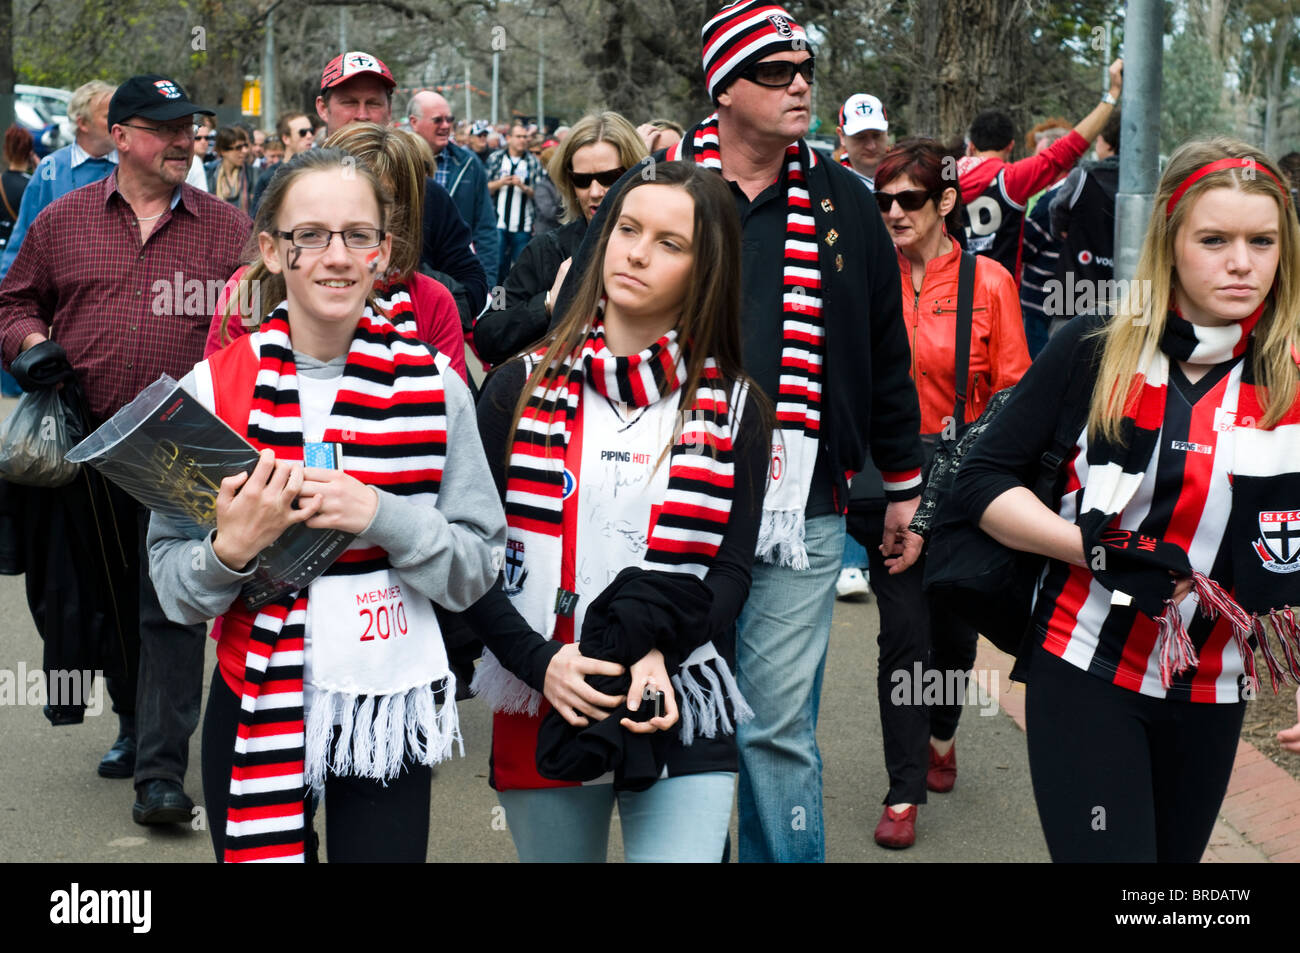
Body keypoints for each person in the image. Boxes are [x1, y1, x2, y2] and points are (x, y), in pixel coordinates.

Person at [556, 0, 927, 863]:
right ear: (723, 86)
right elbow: (592, 314)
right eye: (774, 71)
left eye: (805, 70)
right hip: (667, 483)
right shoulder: (659, 191)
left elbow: (884, 350)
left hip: (804, 505)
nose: (799, 84)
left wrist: (903, 487)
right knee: (677, 699)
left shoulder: (847, 201)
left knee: (774, 724)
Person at [147, 146, 505, 862]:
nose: (335, 256)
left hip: (387, 699)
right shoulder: (210, 389)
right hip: (255, 692)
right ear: (275, 251)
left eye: (357, 235)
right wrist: (228, 552)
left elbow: (478, 566)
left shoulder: (438, 387)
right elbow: (170, 585)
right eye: (310, 235)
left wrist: (381, 514)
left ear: (385, 252)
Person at [957, 138, 1300, 862]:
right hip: (1085, 665)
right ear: (1170, 243)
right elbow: (981, 481)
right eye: (1214, 239)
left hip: (1215, 688)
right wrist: (1091, 548)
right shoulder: (1093, 347)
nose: (1241, 261)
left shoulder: (1292, 379)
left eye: (1261, 240)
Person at [463, 160, 770, 862]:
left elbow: (731, 570)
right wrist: (541, 663)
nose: (635, 252)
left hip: (678, 684)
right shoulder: (515, 387)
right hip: (544, 685)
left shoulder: (737, 407)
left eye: (670, 242)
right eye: (628, 229)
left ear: (705, 269)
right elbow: (471, 564)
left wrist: (662, 645)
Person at [0, 74, 250, 826]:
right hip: (86, 441)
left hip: (183, 447)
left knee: (169, 604)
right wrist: (30, 344)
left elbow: (265, 319)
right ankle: (134, 722)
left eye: (191, 129)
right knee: (98, 600)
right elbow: (14, 300)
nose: (185, 141)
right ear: (121, 135)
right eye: (168, 128)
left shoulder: (229, 229)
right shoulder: (64, 220)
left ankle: (161, 771)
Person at [858, 139, 1028, 848]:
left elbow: (1015, 389)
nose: (895, 212)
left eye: (910, 200)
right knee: (903, 633)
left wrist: (955, 478)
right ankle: (902, 792)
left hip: (963, 480)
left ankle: (943, 730)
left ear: (948, 203)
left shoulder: (988, 282)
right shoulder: (867, 277)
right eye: (884, 200)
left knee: (954, 635)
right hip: (885, 479)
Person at [205, 121, 467, 385]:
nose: (338, 256)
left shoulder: (432, 302)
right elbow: (218, 397)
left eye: (377, 201)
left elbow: (447, 411)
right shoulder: (250, 287)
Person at [315, 51, 488, 322]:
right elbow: (261, 280)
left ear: (389, 111)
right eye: (349, 102)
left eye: (373, 103)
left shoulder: (426, 192)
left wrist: (408, 287)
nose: (362, 115)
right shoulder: (291, 185)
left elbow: (473, 284)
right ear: (323, 108)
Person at [473, 111, 647, 367]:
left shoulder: (668, 249)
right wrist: (547, 304)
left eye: (610, 178)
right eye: (582, 180)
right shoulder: (545, 250)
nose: (596, 192)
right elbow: (488, 331)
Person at [958, 59, 1122, 281]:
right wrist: (1112, 94)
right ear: (1010, 146)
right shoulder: (1010, 179)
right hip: (995, 297)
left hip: (947, 294)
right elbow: (1067, 149)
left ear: (971, 146)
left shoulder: (941, 177)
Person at [0, 80, 117, 280]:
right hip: (60, 295)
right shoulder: (51, 168)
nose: (117, 123)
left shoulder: (132, 165)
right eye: (108, 116)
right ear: (82, 123)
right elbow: (24, 237)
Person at [408, 90, 500, 286]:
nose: (446, 126)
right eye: (438, 120)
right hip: (408, 280)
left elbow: (485, 227)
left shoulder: (469, 163)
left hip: (456, 281)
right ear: (414, 122)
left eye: (449, 119)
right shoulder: (394, 161)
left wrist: (487, 285)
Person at [1046, 110, 1121, 334]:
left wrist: (1064, 232)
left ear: (1106, 144)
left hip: (1073, 291)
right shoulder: (1148, 189)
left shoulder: (1082, 178)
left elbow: (1057, 213)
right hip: (1129, 298)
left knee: (1063, 361)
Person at [487, 122, 544, 277]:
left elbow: (539, 194)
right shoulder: (496, 158)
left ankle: (513, 301)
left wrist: (523, 187)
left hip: (523, 226)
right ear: (509, 138)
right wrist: (501, 183)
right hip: (498, 223)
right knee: (498, 266)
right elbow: (485, 189)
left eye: (525, 137)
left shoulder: (533, 162)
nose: (523, 140)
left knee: (520, 269)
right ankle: (498, 301)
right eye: (518, 136)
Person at [837, 93, 889, 190]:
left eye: (877, 135)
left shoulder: (910, 178)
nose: (871, 146)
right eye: (860, 137)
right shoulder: (830, 184)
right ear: (842, 136)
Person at [205, 126, 253, 217]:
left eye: (245, 146)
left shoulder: (252, 174)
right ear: (223, 151)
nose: (245, 151)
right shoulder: (210, 175)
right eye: (238, 147)